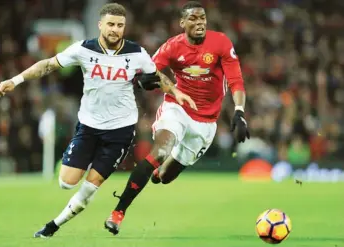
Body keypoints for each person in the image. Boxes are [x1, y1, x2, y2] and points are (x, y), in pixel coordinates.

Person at [0, 3, 196, 238]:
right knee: (66, 182)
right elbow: (48, 65)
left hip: (120, 131)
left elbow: (157, 76)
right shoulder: (83, 49)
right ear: (100, 25)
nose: (115, 30)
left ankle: (52, 226)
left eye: (120, 25)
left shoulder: (137, 53)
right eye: (110, 24)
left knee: (90, 188)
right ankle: (81, 162)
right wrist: (15, 80)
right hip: (88, 127)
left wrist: (175, 91)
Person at [104, 1, 250, 235]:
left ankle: (157, 171)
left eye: (202, 18)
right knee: (160, 151)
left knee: (165, 176)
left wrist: (240, 111)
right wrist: (144, 79)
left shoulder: (221, 42)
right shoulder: (172, 47)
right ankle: (118, 212)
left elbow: (236, 80)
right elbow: (149, 71)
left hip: (206, 123)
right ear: (182, 23)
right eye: (193, 18)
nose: (200, 22)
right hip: (178, 108)